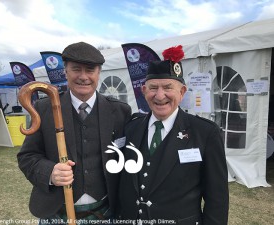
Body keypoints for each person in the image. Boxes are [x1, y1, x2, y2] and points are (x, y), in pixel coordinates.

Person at [17, 42, 132, 224]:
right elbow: (27, 156)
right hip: (56, 211)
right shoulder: (43, 108)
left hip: (105, 212)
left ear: (99, 72)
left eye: (90, 70)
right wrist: (50, 173)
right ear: (66, 71)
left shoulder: (120, 111)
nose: (83, 77)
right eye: (76, 69)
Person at [118, 45, 229, 225]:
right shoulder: (132, 127)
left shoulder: (205, 133)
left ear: (182, 92)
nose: (160, 96)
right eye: (153, 88)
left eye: (168, 87)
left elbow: (217, 197)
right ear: (144, 91)